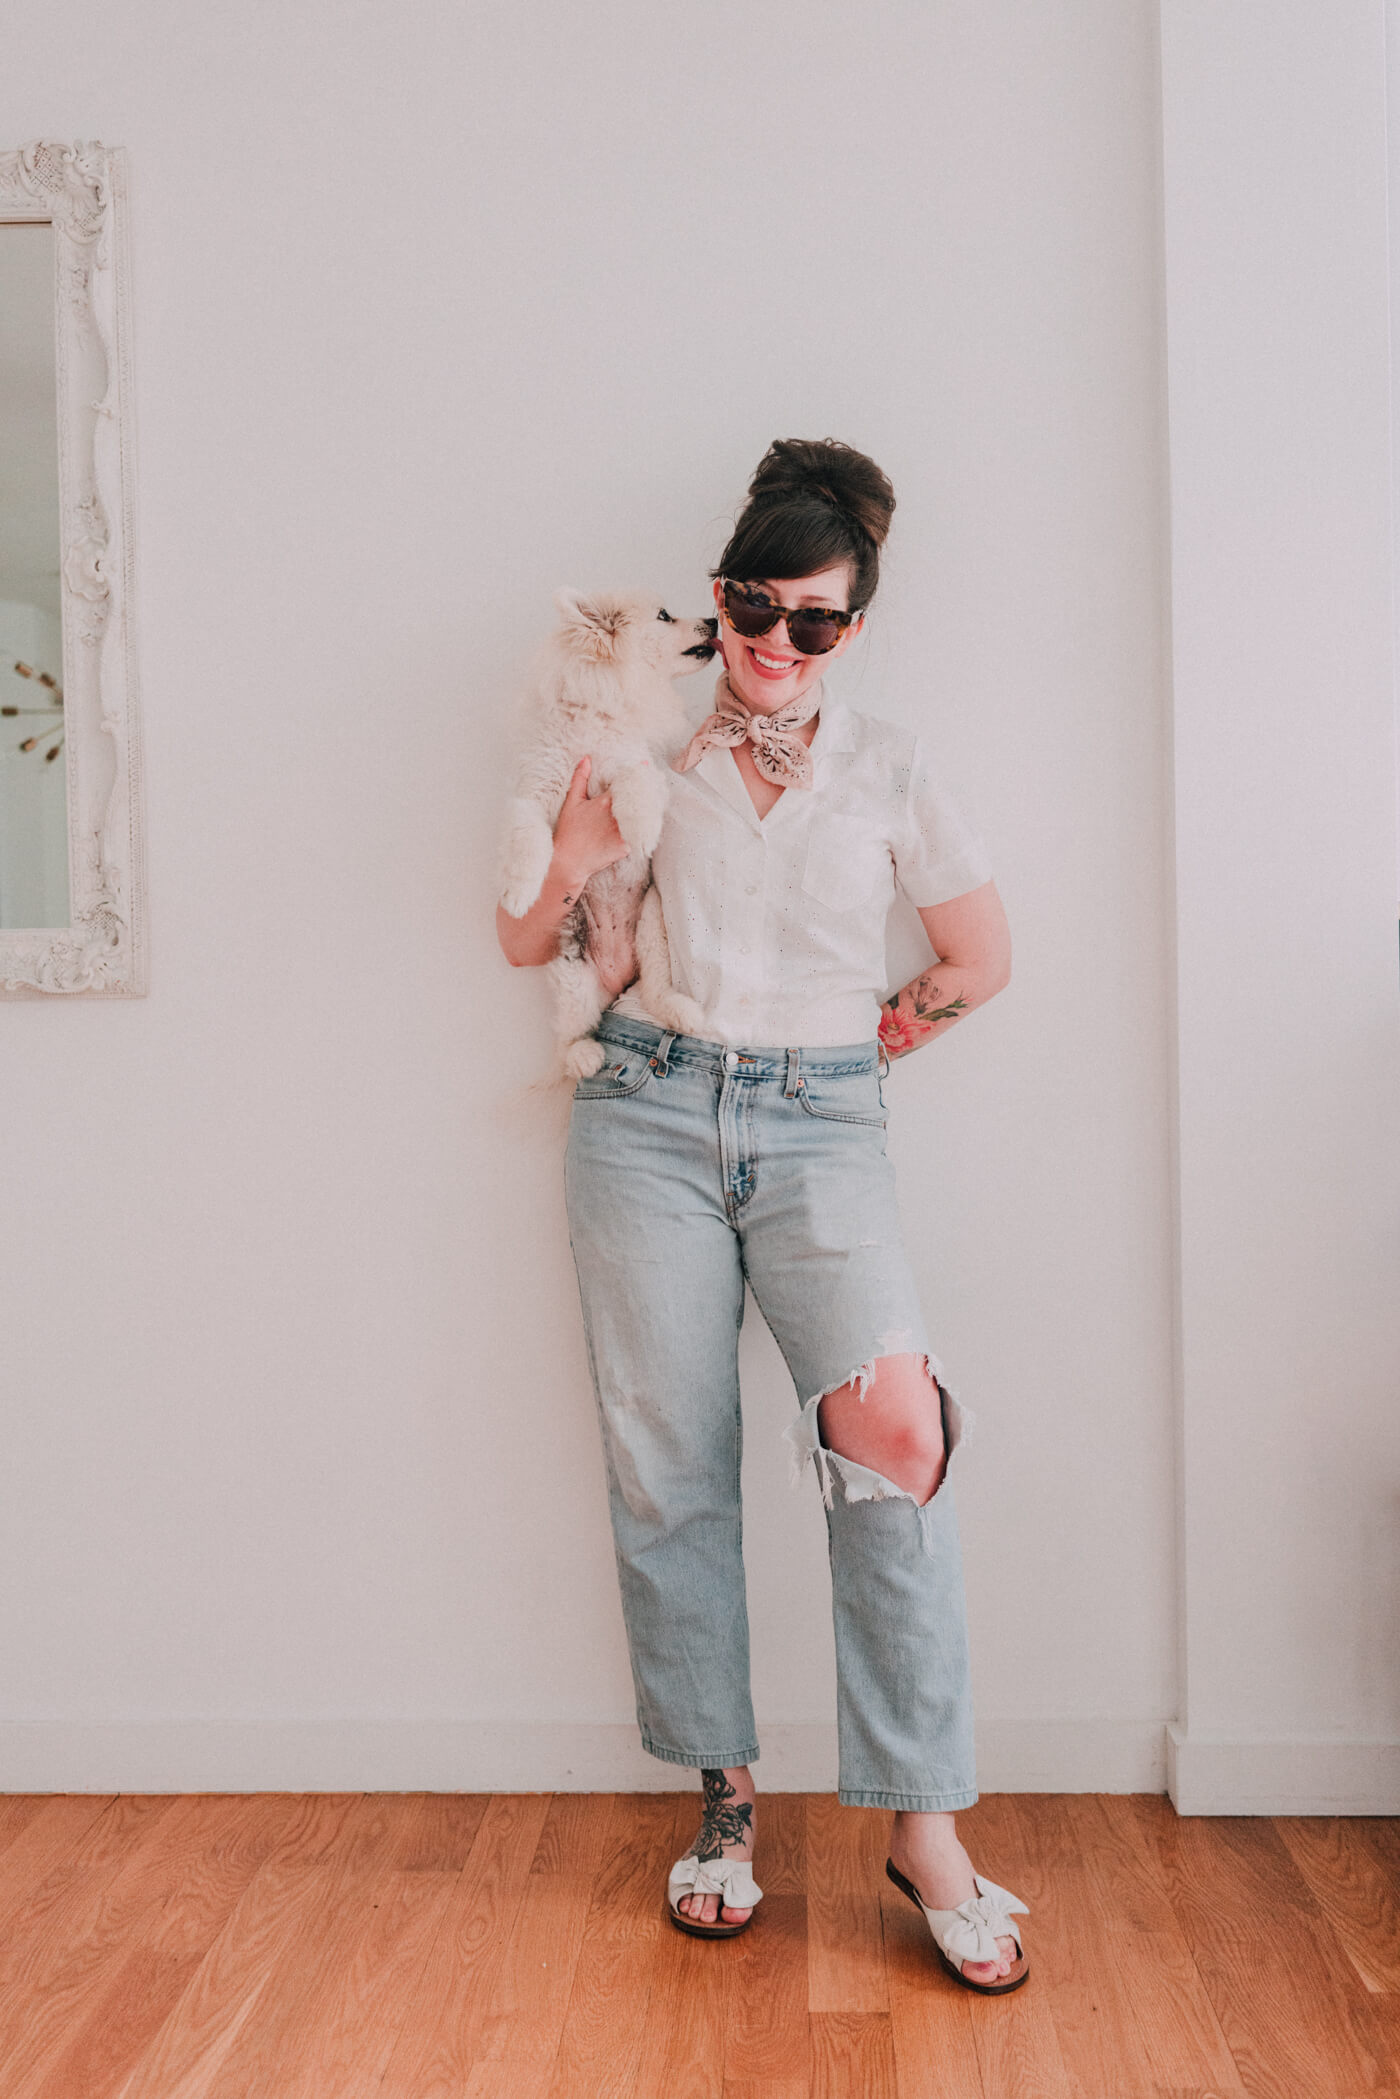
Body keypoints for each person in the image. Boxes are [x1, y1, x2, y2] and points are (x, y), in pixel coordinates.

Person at [495, 439, 1028, 1992]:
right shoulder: (629, 740)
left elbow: (978, 957)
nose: (774, 644)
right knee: (672, 1464)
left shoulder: (891, 764)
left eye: (814, 621)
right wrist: (582, 857)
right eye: (751, 607)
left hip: (820, 1124)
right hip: (644, 1108)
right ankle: (723, 1795)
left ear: (854, 628)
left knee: (897, 1438)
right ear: (718, 598)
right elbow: (524, 933)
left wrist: (881, 1034)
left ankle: (924, 1824)